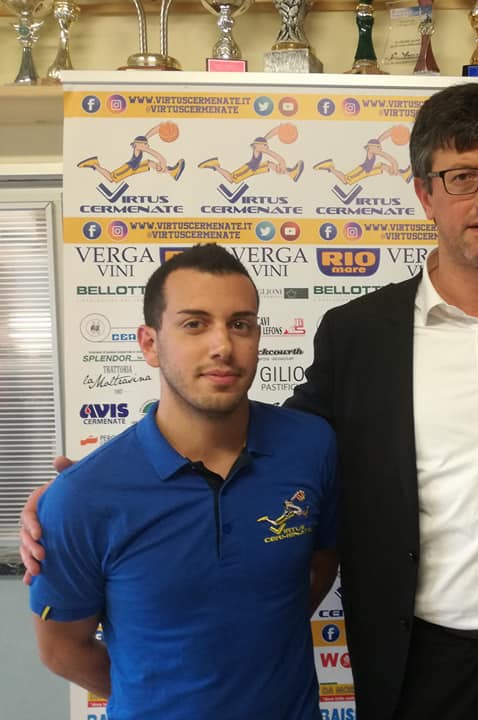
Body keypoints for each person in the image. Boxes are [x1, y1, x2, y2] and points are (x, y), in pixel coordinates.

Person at [22, 84, 478, 720]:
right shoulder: (357, 334)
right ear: (425, 194)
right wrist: (79, 492)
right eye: (461, 176)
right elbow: (264, 438)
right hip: (422, 665)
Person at [28, 244, 339, 720]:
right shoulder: (82, 497)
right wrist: (157, 694)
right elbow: (61, 649)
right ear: (149, 344)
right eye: (194, 324)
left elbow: (318, 568)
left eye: (240, 324)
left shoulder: (311, 446)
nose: (223, 346)